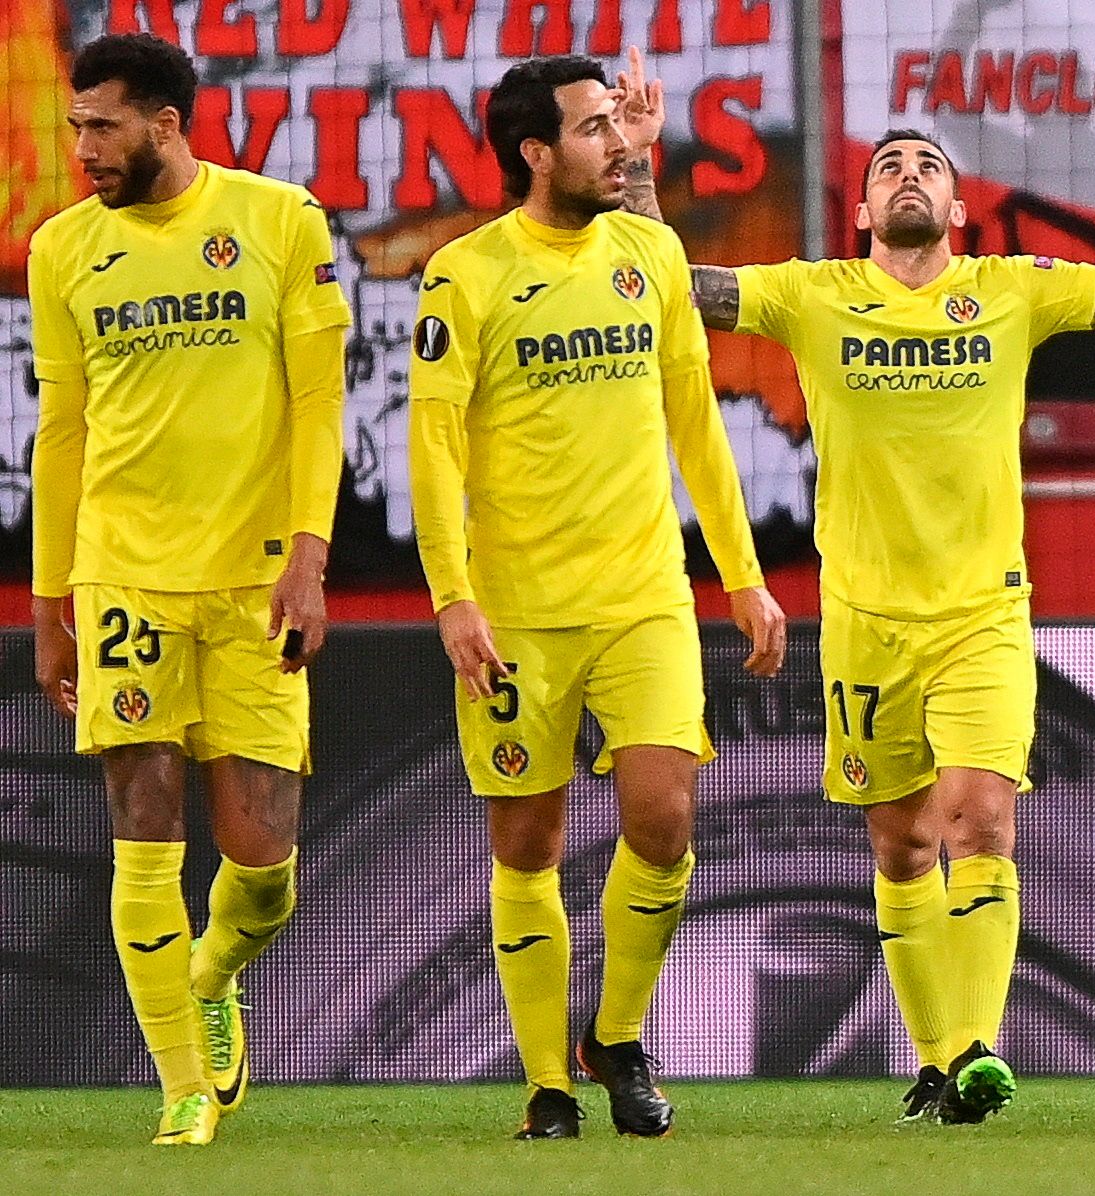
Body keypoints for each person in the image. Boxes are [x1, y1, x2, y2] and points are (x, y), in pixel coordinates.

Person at [615, 49, 1095, 1122]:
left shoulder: (1010, 290)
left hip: (985, 611)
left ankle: (974, 1049)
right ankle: (938, 1058)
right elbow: (672, 286)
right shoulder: (814, 294)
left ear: (959, 209)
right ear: (864, 208)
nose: (908, 175)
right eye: (889, 166)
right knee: (900, 842)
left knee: (980, 820)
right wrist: (642, 167)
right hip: (866, 619)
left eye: (928, 165)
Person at [407, 56, 787, 1141]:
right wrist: (453, 597)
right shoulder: (464, 274)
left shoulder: (651, 253)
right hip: (515, 611)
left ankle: (615, 1036)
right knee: (526, 844)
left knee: (664, 822)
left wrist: (744, 578)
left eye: (618, 124)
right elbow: (432, 446)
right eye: (592, 129)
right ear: (536, 152)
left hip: (643, 596)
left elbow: (696, 424)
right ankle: (547, 1084)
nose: (618, 145)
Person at [28, 32, 349, 1145]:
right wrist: (50, 603)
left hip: (255, 578)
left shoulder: (279, 221)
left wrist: (309, 557)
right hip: (124, 573)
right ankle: (180, 1088)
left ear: (167, 124)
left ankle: (211, 977)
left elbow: (319, 400)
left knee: (265, 868)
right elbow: (61, 431)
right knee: (142, 824)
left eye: (101, 125)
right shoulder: (62, 248)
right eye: (75, 126)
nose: (82, 148)